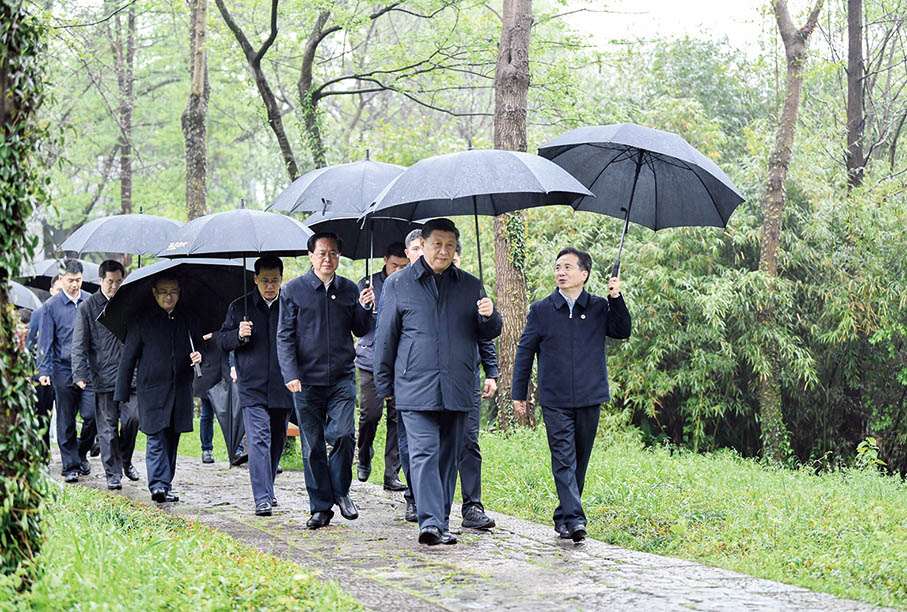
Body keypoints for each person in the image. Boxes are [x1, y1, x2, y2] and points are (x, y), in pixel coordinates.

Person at [375, 218, 502, 546]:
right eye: (437, 244)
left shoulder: (471, 286)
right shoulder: (399, 284)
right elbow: (386, 337)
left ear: (456, 247)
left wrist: (490, 315)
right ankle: (430, 523)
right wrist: (383, 383)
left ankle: (440, 522)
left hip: (458, 385)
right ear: (424, 244)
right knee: (423, 451)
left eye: (450, 245)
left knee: (448, 455)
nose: (443, 250)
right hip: (414, 385)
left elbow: (488, 333)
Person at [511, 247, 631, 543]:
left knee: (579, 460)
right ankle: (576, 519)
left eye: (567, 267)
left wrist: (617, 299)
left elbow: (622, 330)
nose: (560, 272)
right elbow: (525, 352)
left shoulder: (599, 307)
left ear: (584, 275)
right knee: (563, 459)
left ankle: (564, 516)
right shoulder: (541, 310)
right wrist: (519, 393)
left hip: (590, 397)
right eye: (557, 267)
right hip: (555, 399)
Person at [277, 232, 371, 529]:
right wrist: (290, 373)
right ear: (311, 256)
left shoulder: (348, 289)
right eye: (322, 253)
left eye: (333, 253)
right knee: (313, 444)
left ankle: (341, 491)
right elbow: (285, 336)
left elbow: (360, 328)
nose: (327, 258)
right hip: (305, 380)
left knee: (344, 434)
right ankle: (320, 507)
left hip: (342, 376)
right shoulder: (293, 290)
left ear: (339, 256)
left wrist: (366, 307)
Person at [216, 256, 293, 517]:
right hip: (252, 385)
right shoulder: (240, 307)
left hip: (284, 384)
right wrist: (238, 334)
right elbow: (221, 340)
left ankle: (268, 489)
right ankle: (261, 498)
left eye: (274, 281)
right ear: (255, 279)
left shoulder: (291, 305)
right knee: (259, 439)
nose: (269, 286)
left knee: (277, 440)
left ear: (282, 279)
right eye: (264, 281)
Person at [114, 275, 202, 503]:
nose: (168, 296)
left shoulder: (188, 317)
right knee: (155, 435)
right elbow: (128, 358)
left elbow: (203, 345)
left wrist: (199, 354)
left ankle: (166, 483)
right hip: (151, 390)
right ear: (154, 293)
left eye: (173, 291)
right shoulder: (142, 320)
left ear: (180, 291)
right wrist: (121, 394)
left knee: (172, 437)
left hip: (180, 388)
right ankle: (157, 485)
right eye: (163, 292)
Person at [71, 259, 140, 490]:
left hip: (131, 374)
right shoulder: (88, 307)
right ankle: (113, 472)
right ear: (101, 280)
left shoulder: (131, 303)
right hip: (103, 375)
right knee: (108, 427)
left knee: (133, 419)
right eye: (110, 282)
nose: (114, 286)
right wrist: (79, 373)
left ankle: (125, 460)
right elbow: (79, 343)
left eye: (119, 282)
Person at [452, 243, 499, 531]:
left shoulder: (473, 288)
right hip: (427, 382)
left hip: (467, 378)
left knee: (469, 442)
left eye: (452, 253)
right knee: (434, 446)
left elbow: (486, 334)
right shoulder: (416, 288)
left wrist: (491, 372)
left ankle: (472, 506)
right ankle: (424, 503)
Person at [355, 241, 409, 491]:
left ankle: (392, 473)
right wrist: (365, 305)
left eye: (403, 266)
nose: (398, 270)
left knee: (397, 417)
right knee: (371, 414)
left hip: (400, 361)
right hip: (370, 360)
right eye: (394, 265)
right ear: (385, 259)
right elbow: (358, 325)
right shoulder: (368, 284)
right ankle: (363, 453)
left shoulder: (410, 284)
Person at [37, 260, 97, 483]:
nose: (75, 285)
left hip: (88, 368)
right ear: (61, 279)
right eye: (71, 280)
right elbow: (45, 341)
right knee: (66, 417)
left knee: (91, 415)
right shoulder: (51, 306)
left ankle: (80, 453)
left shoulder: (89, 302)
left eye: (78, 280)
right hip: (62, 369)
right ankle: (70, 465)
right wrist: (44, 370)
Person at [25, 276, 62, 461]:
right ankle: (43, 452)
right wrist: (34, 372)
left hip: (65, 372)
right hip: (43, 374)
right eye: (58, 290)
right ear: (51, 291)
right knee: (43, 414)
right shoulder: (38, 314)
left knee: (67, 416)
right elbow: (29, 345)